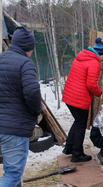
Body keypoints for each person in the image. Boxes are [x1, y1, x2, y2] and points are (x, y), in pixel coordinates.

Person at [0, 27, 42, 187]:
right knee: (12, 174)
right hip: (15, 129)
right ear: (28, 48)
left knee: (13, 175)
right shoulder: (25, 64)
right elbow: (32, 92)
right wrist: (36, 110)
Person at [62, 38, 103, 162]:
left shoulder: (81, 57)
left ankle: (68, 148)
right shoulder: (94, 63)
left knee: (77, 122)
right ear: (100, 53)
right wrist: (99, 92)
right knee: (81, 125)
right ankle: (77, 154)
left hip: (69, 96)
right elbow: (91, 84)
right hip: (79, 99)